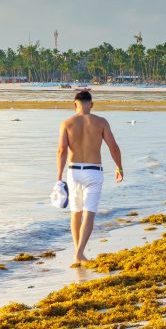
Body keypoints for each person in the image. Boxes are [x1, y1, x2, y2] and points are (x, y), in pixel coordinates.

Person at [56, 91, 124, 265]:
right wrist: (119, 167)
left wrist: (58, 177)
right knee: (89, 213)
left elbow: (62, 151)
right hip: (94, 171)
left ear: (74, 104)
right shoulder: (101, 122)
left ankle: (77, 252)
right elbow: (114, 147)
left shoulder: (67, 123)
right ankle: (79, 253)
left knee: (76, 212)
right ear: (91, 105)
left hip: (73, 172)